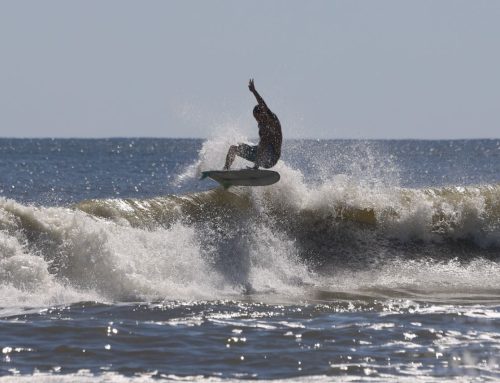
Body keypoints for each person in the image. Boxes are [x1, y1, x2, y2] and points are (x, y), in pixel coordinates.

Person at [223, 79, 282, 170]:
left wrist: (254, 91)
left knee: (264, 141)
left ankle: (255, 167)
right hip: (259, 153)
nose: (258, 121)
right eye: (256, 119)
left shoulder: (273, 120)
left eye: (258, 118)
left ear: (263, 113)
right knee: (234, 148)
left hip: (271, 158)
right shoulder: (262, 124)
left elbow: (263, 105)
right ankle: (225, 170)